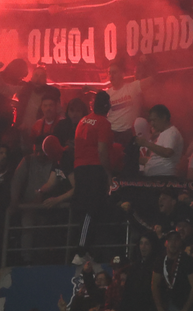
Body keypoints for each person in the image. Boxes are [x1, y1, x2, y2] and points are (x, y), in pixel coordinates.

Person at [73, 91, 113, 261]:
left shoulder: (83, 120)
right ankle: (81, 251)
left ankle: (86, 250)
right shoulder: (103, 122)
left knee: (87, 209)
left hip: (80, 169)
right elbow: (102, 151)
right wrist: (109, 173)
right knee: (92, 209)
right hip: (94, 169)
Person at [151, 230, 193, 311]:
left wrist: (186, 308)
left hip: (186, 305)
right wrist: (159, 306)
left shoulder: (188, 261)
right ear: (166, 243)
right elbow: (154, 284)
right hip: (169, 303)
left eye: (176, 240)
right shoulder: (160, 260)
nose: (173, 243)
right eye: (170, 240)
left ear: (180, 243)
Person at [139, 104, 183, 177]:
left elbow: (167, 152)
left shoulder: (171, 132)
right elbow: (158, 159)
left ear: (163, 118)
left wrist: (146, 144)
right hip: (157, 177)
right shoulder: (164, 133)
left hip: (164, 178)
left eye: (154, 120)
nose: (152, 124)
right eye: (151, 120)